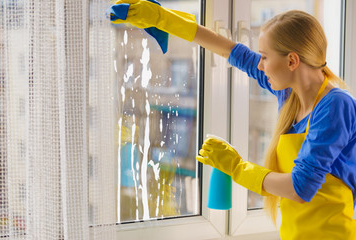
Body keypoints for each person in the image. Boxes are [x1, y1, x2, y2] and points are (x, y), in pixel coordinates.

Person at [109, 1, 356, 239]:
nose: (261, 65)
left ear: (292, 61)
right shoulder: (290, 95)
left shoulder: (335, 106)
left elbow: (300, 188)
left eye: (265, 57)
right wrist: (163, 19)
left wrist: (237, 168)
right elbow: (230, 50)